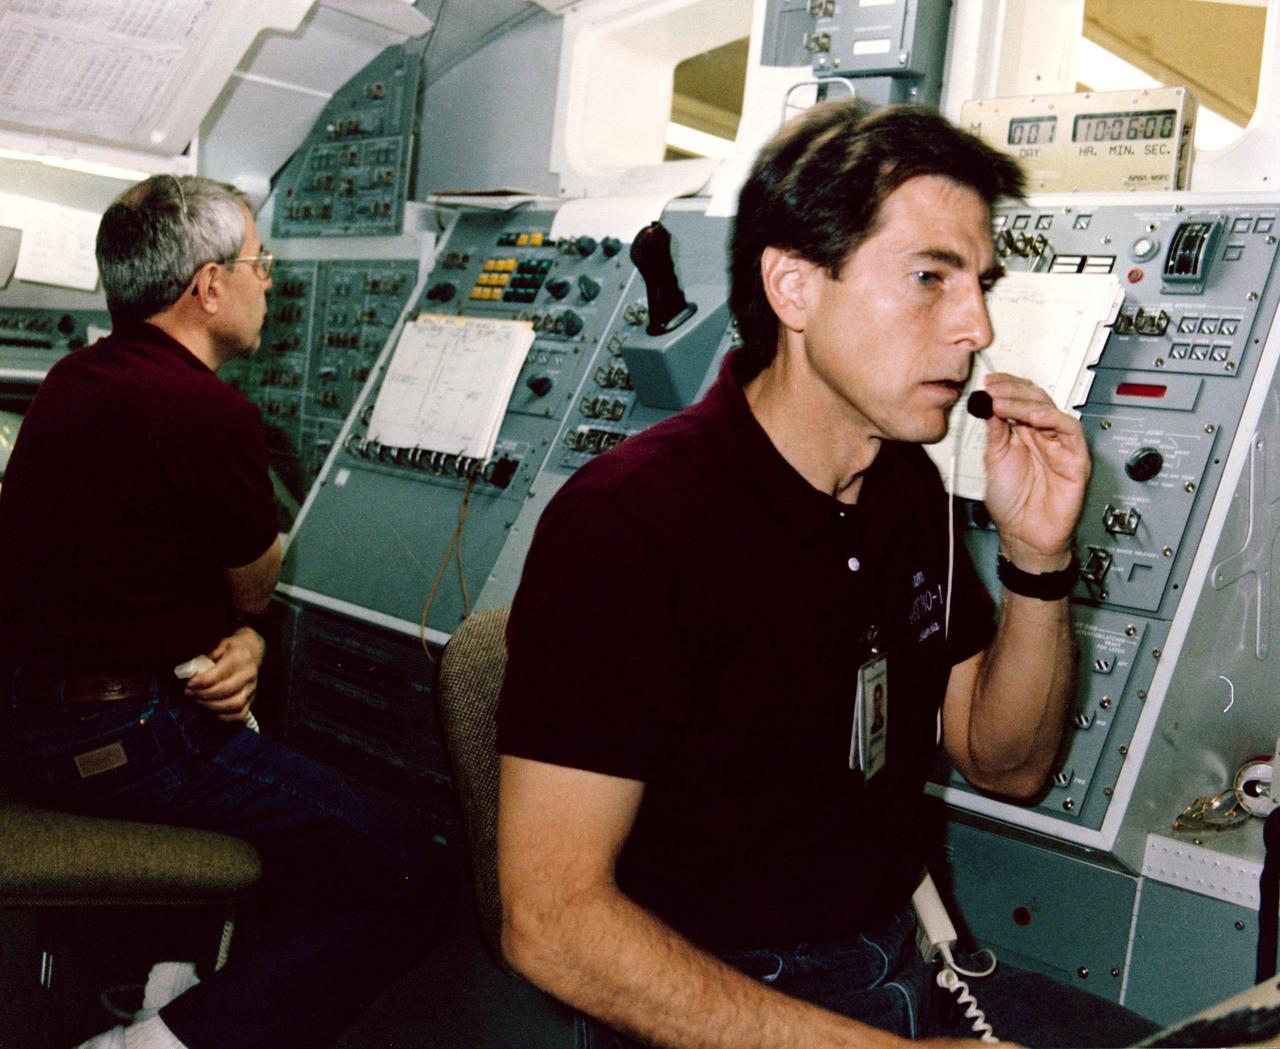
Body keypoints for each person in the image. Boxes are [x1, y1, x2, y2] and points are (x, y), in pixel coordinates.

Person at [495, 101, 1158, 1048]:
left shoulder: (906, 485)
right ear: (794, 289)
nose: (975, 326)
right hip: (709, 992)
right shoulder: (630, 525)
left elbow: (1007, 764)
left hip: (896, 953)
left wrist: (1039, 558)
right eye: (931, 277)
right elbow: (554, 921)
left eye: (981, 284)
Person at [0, 174, 452, 1049]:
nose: (269, 283)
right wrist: (246, 620)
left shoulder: (68, 380)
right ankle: (161, 1044)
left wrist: (240, 637)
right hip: (125, 741)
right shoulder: (209, 414)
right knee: (413, 874)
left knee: (308, 823)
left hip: (25, 725)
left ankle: (172, 986)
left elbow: (150, 583)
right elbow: (255, 583)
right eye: (258, 263)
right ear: (209, 286)